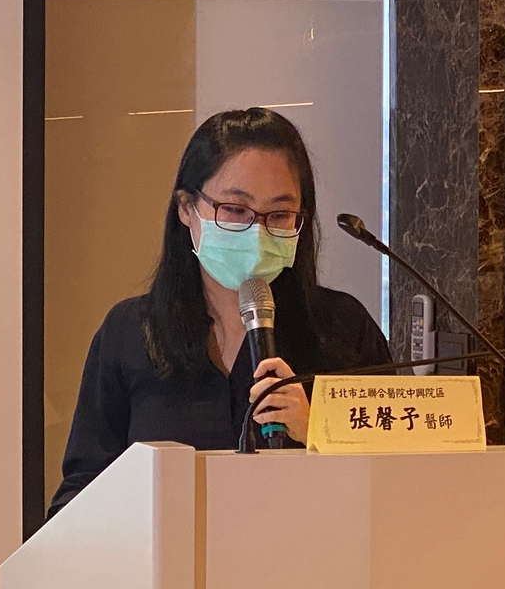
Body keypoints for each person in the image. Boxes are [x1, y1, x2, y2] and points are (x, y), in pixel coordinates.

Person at [48, 108, 391, 518]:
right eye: (235, 209)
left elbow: (399, 480)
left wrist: (321, 430)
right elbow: (82, 491)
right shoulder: (130, 333)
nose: (258, 232)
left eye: (279, 214)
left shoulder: (342, 327)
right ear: (186, 208)